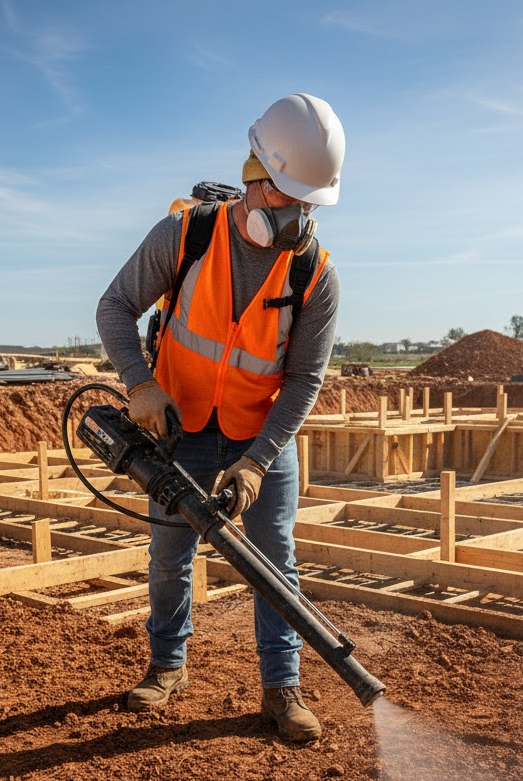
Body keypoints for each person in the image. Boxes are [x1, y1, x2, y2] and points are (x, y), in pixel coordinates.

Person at [96, 93, 344, 742]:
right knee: (170, 556)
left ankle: (280, 690)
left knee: (274, 564)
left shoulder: (315, 273)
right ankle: (167, 666)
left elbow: (305, 380)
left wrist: (259, 461)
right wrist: (141, 384)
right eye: (290, 199)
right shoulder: (184, 235)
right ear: (254, 178)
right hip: (178, 427)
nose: (299, 218)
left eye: (310, 205)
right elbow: (114, 307)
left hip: (260, 434)